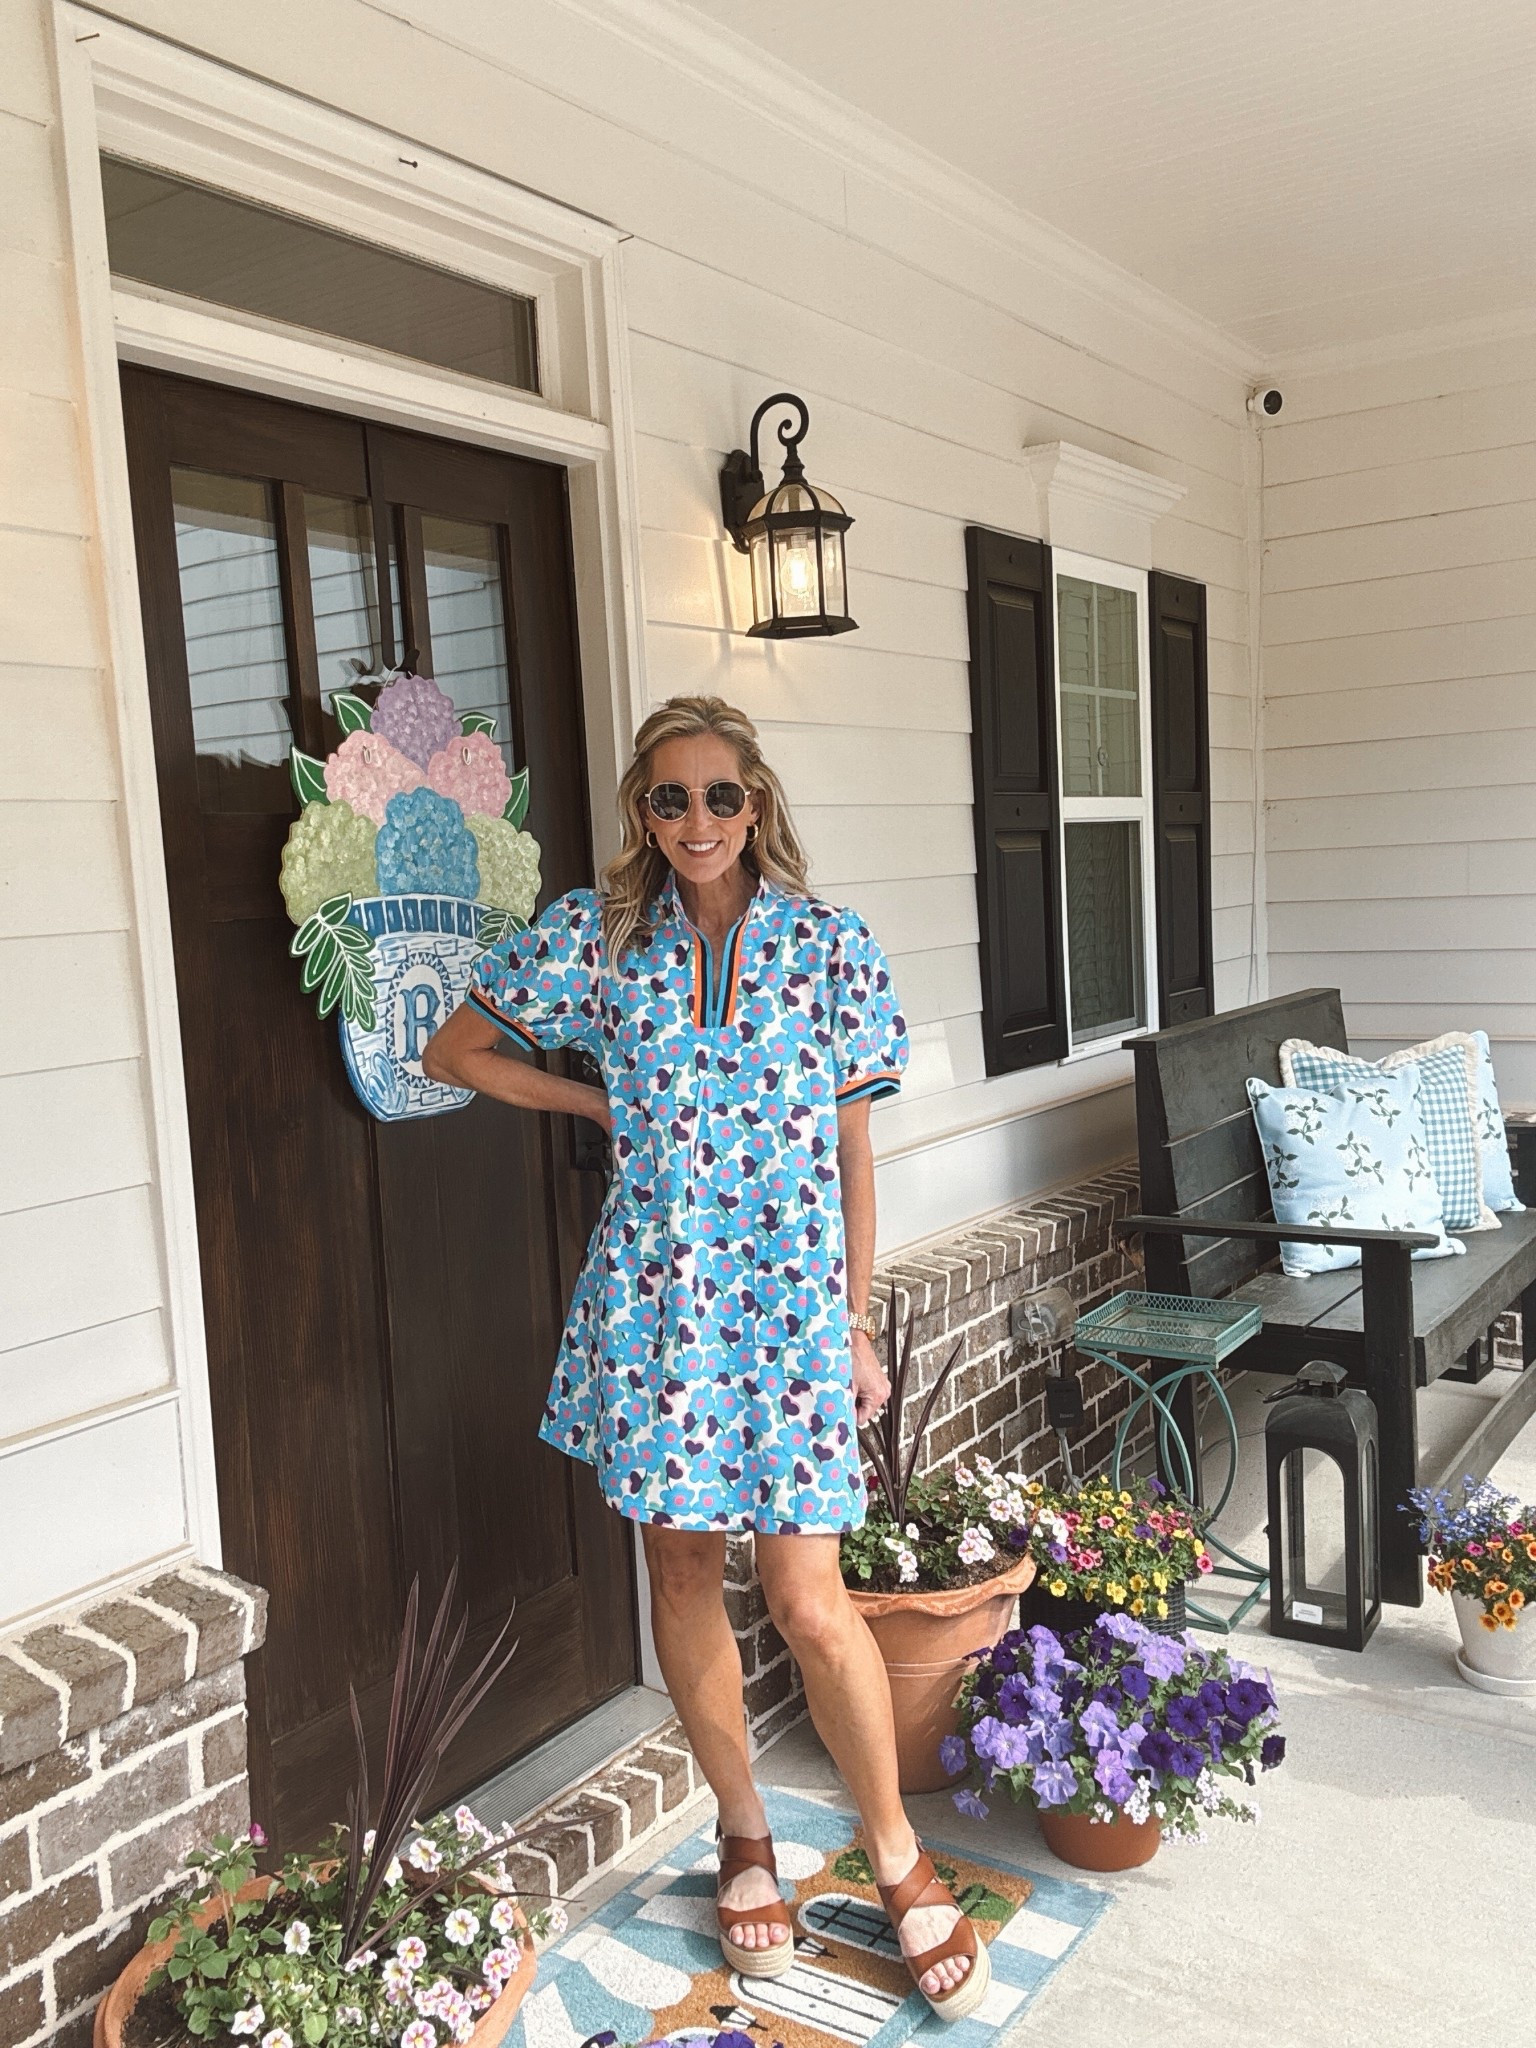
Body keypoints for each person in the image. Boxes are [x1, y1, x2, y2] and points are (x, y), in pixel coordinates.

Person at [423, 695, 986, 2019]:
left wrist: (854, 1323)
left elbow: (854, 1147)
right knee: (679, 1570)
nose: (694, 823)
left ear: (758, 805)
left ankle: (899, 1856)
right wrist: (591, 1093)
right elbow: (460, 1050)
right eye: (667, 800)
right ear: (641, 814)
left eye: (718, 797)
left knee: (807, 1598)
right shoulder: (598, 938)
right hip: (656, 1310)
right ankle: (744, 1834)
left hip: (791, 1313)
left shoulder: (830, 946)